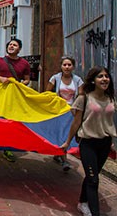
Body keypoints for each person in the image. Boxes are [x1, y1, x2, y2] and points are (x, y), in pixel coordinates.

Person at [60, 66, 117, 216]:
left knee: (93, 177)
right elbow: (76, 122)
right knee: (93, 180)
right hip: (88, 143)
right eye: (100, 76)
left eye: (106, 76)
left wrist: (110, 141)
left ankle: (82, 202)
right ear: (93, 80)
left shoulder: (110, 98)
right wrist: (67, 142)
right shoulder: (84, 98)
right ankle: (94, 212)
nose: (104, 79)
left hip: (104, 144)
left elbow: (108, 121)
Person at [0, 38, 30, 162]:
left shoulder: (25, 64)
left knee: (11, 121)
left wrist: (22, 83)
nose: (11, 46)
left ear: (19, 49)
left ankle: (8, 148)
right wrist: (0, 79)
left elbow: (27, 79)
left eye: (15, 45)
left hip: (14, 97)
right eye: (10, 44)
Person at [46, 56, 84, 171]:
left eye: (69, 65)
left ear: (73, 67)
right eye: (64, 65)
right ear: (61, 66)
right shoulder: (55, 78)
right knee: (61, 134)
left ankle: (59, 154)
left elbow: (81, 95)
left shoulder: (78, 80)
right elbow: (48, 92)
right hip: (58, 111)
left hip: (71, 112)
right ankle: (64, 160)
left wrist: (75, 108)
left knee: (66, 134)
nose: (67, 67)